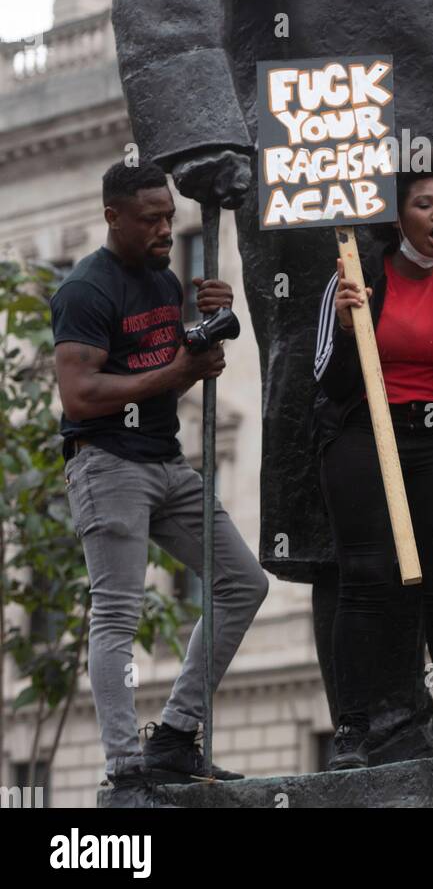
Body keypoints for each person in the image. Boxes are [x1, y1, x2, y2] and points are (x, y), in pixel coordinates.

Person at [51, 160, 269, 808]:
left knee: (243, 583)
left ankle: (174, 735)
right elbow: (79, 392)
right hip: (108, 463)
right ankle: (125, 768)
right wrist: (177, 371)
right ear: (113, 216)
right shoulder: (86, 289)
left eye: (170, 217)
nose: (164, 230)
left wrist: (207, 330)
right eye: (151, 220)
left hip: (166, 461)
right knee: (117, 610)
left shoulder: (161, 279)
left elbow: (179, 358)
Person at [312, 171, 433, 769]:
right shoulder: (357, 276)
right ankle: (351, 730)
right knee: (366, 577)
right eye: (424, 203)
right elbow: (326, 376)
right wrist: (349, 330)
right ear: (400, 218)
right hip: (365, 438)